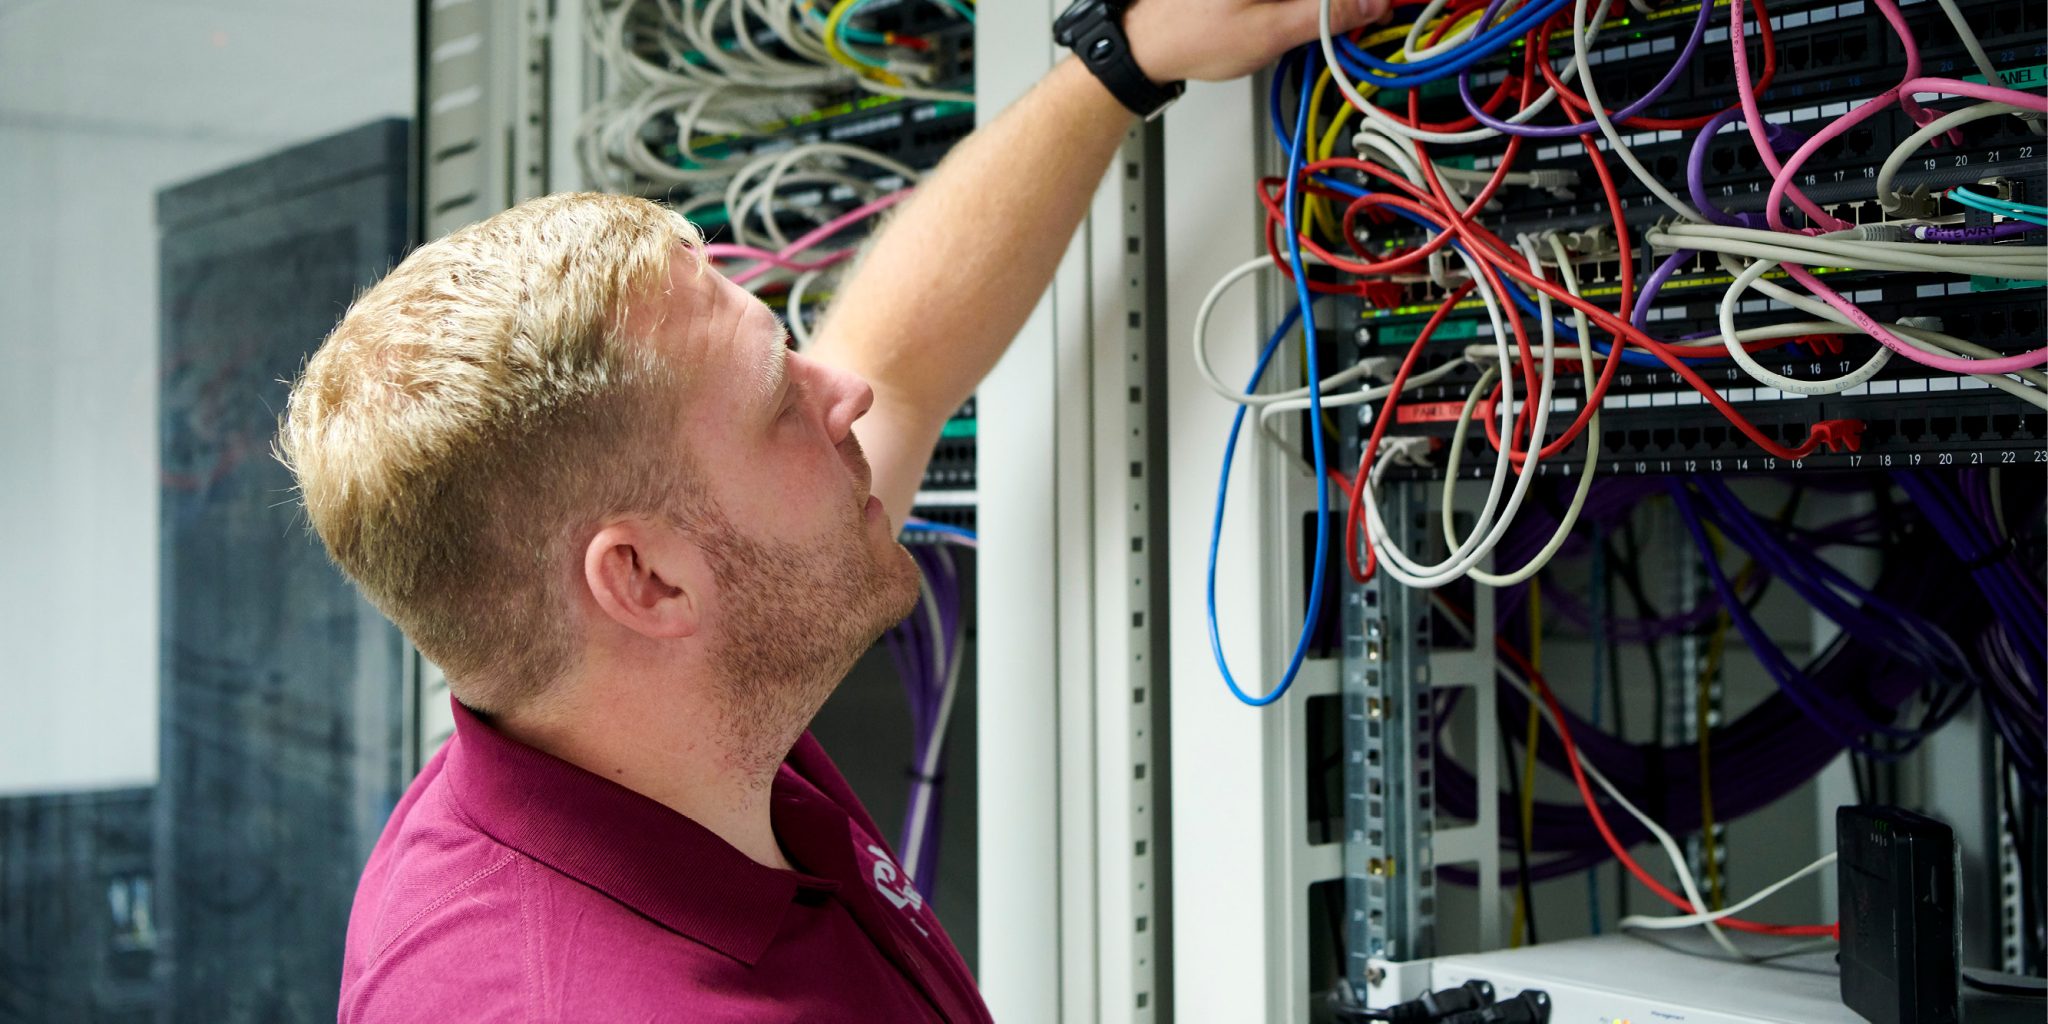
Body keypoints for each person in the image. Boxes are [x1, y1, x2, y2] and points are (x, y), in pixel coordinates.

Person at [280, 0, 1389, 1018]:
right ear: (647, 580)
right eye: (778, 403)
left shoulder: (631, 731)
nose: (840, 390)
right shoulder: (600, 994)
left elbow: (895, 362)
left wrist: (1122, 59)